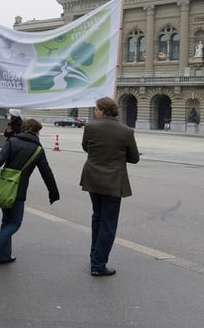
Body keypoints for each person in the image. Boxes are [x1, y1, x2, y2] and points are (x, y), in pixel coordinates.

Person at [0, 118, 59, 266]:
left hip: (4, 187)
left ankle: (4, 256)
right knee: (15, 223)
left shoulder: (12, 142)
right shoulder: (38, 149)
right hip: (18, 190)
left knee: (7, 221)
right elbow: (47, 173)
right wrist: (53, 193)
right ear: (37, 132)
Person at [80, 96, 140, 277]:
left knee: (97, 218)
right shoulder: (126, 131)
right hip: (113, 182)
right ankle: (98, 264)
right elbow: (134, 158)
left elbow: (86, 147)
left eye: (97, 109)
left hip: (92, 179)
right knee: (108, 223)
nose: (95, 112)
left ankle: (94, 256)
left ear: (103, 110)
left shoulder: (90, 126)